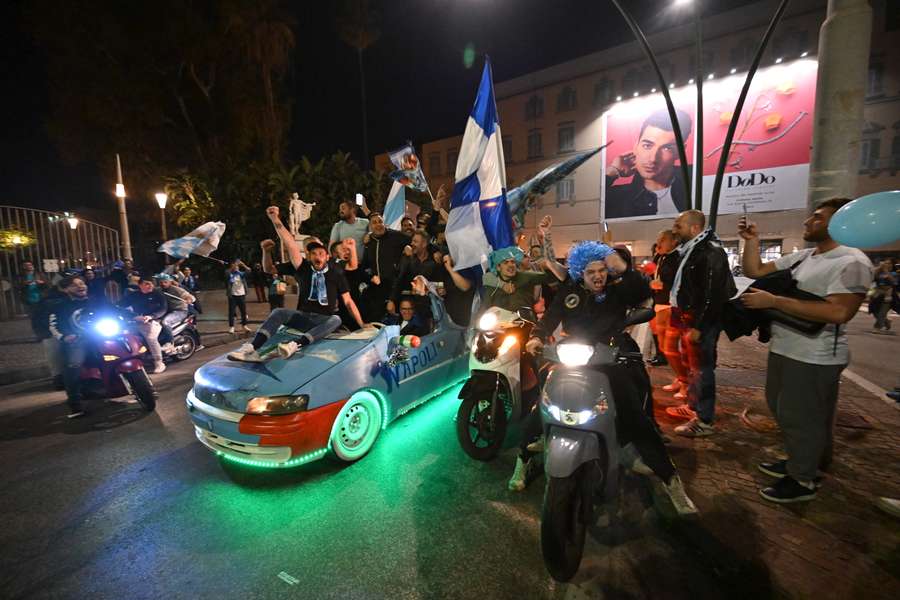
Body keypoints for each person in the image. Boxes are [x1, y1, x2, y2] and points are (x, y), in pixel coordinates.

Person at [522, 242, 698, 515]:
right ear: (581, 272)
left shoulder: (619, 289)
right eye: (591, 271)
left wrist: (624, 269)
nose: (597, 276)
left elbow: (641, 291)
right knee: (543, 399)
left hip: (612, 354)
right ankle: (525, 456)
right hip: (575, 354)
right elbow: (551, 317)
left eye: (602, 270)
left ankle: (669, 478)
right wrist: (536, 336)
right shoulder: (570, 291)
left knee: (633, 412)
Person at [739, 198, 872, 503]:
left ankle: (803, 479)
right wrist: (752, 241)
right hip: (786, 346)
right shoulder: (805, 257)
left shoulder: (852, 261)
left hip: (816, 354)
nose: (807, 222)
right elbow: (755, 269)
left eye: (817, 218)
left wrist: (774, 302)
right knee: (783, 408)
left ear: (840, 223)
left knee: (803, 416)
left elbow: (840, 312)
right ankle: (802, 459)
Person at [229, 206, 369, 362]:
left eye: (321, 252)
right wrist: (275, 219)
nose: (317, 256)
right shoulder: (302, 268)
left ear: (327, 256)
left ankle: (295, 344)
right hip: (303, 316)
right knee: (278, 312)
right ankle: (252, 348)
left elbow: (348, 301)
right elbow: (288, 246)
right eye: (313, 253)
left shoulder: (336, 270)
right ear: (308, 256)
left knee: (336, 319)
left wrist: (362, 324)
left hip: (323, 320)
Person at [666, 210, 736, 437]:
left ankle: (704, 420)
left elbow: (713, 295)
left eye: (678, 226)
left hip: (701, 323)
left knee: (702, 370)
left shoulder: (710, 252)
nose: (674, 230)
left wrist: (699, 325)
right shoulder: (692, 250)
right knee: (694, 367)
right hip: (691, 319)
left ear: (694, 228)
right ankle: (694, 408)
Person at [605, 108, 692, 219]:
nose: (653, 159)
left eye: (666, 148)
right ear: (636, 145)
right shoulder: (618, 197)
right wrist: (613, 171)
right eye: (647, 145)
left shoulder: (695, 180)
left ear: (680, 152)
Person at [48, 275, 112, 417]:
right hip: (78, 340)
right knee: (73, 365)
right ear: (65, 289)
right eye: (75, 285)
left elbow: (114, 310)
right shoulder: (60, 306)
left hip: (100, 336)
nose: (80, 286)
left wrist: (133, 317)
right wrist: (65, 337)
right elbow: (54, 326)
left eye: (82, 283)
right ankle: (75, 404)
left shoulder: (96, 301)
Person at [361, 213, 411, 322]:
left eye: (380, 221)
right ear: (370, 227)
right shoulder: (369, 242)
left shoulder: (395, 236)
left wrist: (410, 247)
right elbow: (365, 266)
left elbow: (417, 240)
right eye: (374, 223)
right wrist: (371, 276)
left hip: (395, 285)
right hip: (377, 286)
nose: (378, 225)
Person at [118, 275, 168, 373]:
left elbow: (163, 309)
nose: (150, 286)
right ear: (140, 285)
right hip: (136, 321)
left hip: (154, 321)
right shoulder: (134, 295)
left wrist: (151, 316)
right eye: (147, 284)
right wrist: (133, 316)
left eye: (151, 284)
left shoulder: (158, 294)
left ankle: (159, 362)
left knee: (150, 338)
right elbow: (120, 306)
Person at [225, 259, 252, 334]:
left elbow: (249, 270)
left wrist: (243, 264)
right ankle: (231, 327)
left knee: (243, 311)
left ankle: (244, 326)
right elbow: (227, 272)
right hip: (232, 295)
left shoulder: (241, 274)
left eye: (237, 266)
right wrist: (233, 267)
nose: (236, 267)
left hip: (241, 294)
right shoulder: (229, 273)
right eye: (235, 266)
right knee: (231, 312)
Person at [870, 260, 896, 332]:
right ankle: (887, 322)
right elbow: (872, 278)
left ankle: (877, 327)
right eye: (886, 263)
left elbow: (893, 281)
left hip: (888, 294)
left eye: (889, 263)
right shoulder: (878, 272)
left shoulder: (893, 273)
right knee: (874, 311)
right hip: (878, 294)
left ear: (891, 265)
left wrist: (885, 271)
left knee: (882, 312)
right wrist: (879, 268)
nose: (887, 264)